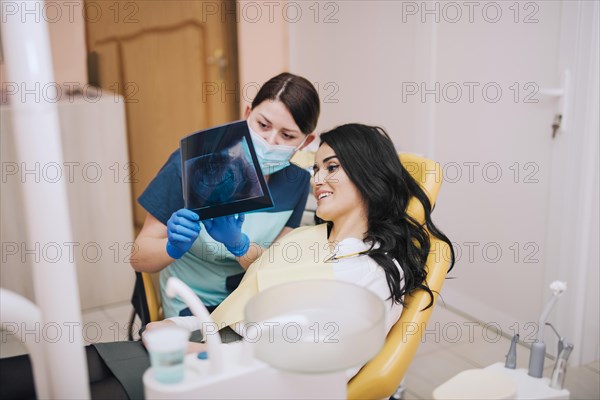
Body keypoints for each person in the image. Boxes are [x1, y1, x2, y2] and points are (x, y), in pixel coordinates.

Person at [148, 123, 456, 379]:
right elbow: (244, 308)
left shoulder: (373, 271)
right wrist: (177, 327)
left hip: (249, 375)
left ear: (369, 174)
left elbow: (314, 371)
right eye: (316, 169)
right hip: (223, 342)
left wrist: (197, 352)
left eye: (331, 167)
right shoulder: (304, 237)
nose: (317, 180)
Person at [131, 72, 320, 318]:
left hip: (250, 301)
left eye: (287, 135)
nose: (270, 141)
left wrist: (240, 246)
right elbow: (138, 256)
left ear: (306, 142)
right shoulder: (191, 166)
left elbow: (272, 268)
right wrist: (171, 247)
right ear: (247, 114)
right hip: (191, 304)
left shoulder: (296, 182)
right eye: (263, 125)